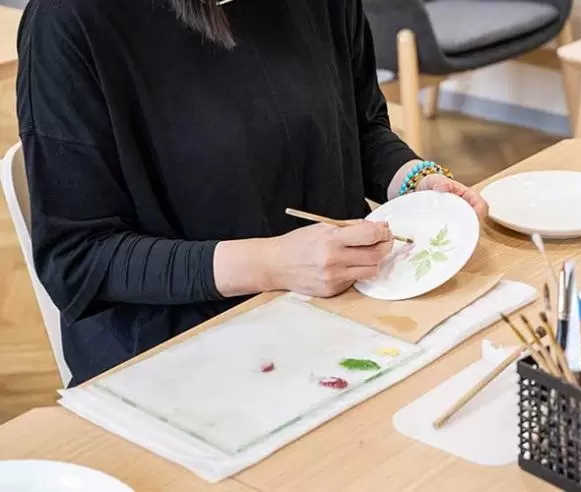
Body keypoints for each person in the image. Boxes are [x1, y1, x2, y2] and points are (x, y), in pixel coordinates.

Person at [16, 0, 488, 385]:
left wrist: (417, 182)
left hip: (338, 318)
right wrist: (274, 264)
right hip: (176, 354)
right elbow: (78, 258)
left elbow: (359, 126)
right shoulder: (70, 20)